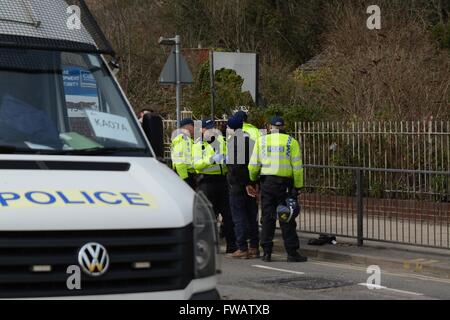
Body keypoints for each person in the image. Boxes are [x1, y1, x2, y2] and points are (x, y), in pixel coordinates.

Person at [248, 117, 308, 263]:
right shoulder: (291, 142)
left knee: (268, 218)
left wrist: (253, 180)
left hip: (267, 184)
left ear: (270, 127)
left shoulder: (262, 141)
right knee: (286, 218)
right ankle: (292, 252)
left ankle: (267, 253)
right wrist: (298, 186)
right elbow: (298, 168)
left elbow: (253, 165)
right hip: (284, 186)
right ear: (283, 126)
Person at [193, 119, 237, 253]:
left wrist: (227, 160)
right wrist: (211, 160)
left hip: (222, 181)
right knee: (209, 216)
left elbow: (228, 157)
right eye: (208, 128)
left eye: (212, 128)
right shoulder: (198, 145)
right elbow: (196, 165)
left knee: (228, 215)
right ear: (202, 130)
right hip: (206, 183)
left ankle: (232, 246)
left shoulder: (221, 141)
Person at [226, 116, 260, 259]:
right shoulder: (252, 142)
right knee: (252, 216)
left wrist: (244, 183)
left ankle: (242, 248)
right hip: (251, 184)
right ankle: (254, 246)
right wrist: (253, 183)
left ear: (232, 128)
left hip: (238, 186)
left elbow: (237, 167)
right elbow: (256, 164)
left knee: (239, 217)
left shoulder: (233, 143)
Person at [171, 118, 196, 189]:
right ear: (187, 127)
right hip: (185, 175)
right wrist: (185, 179)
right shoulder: (184, 139)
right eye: (193, 126)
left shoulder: (186, 139)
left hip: (186, 174)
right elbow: (179, 160)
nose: (195, 128)